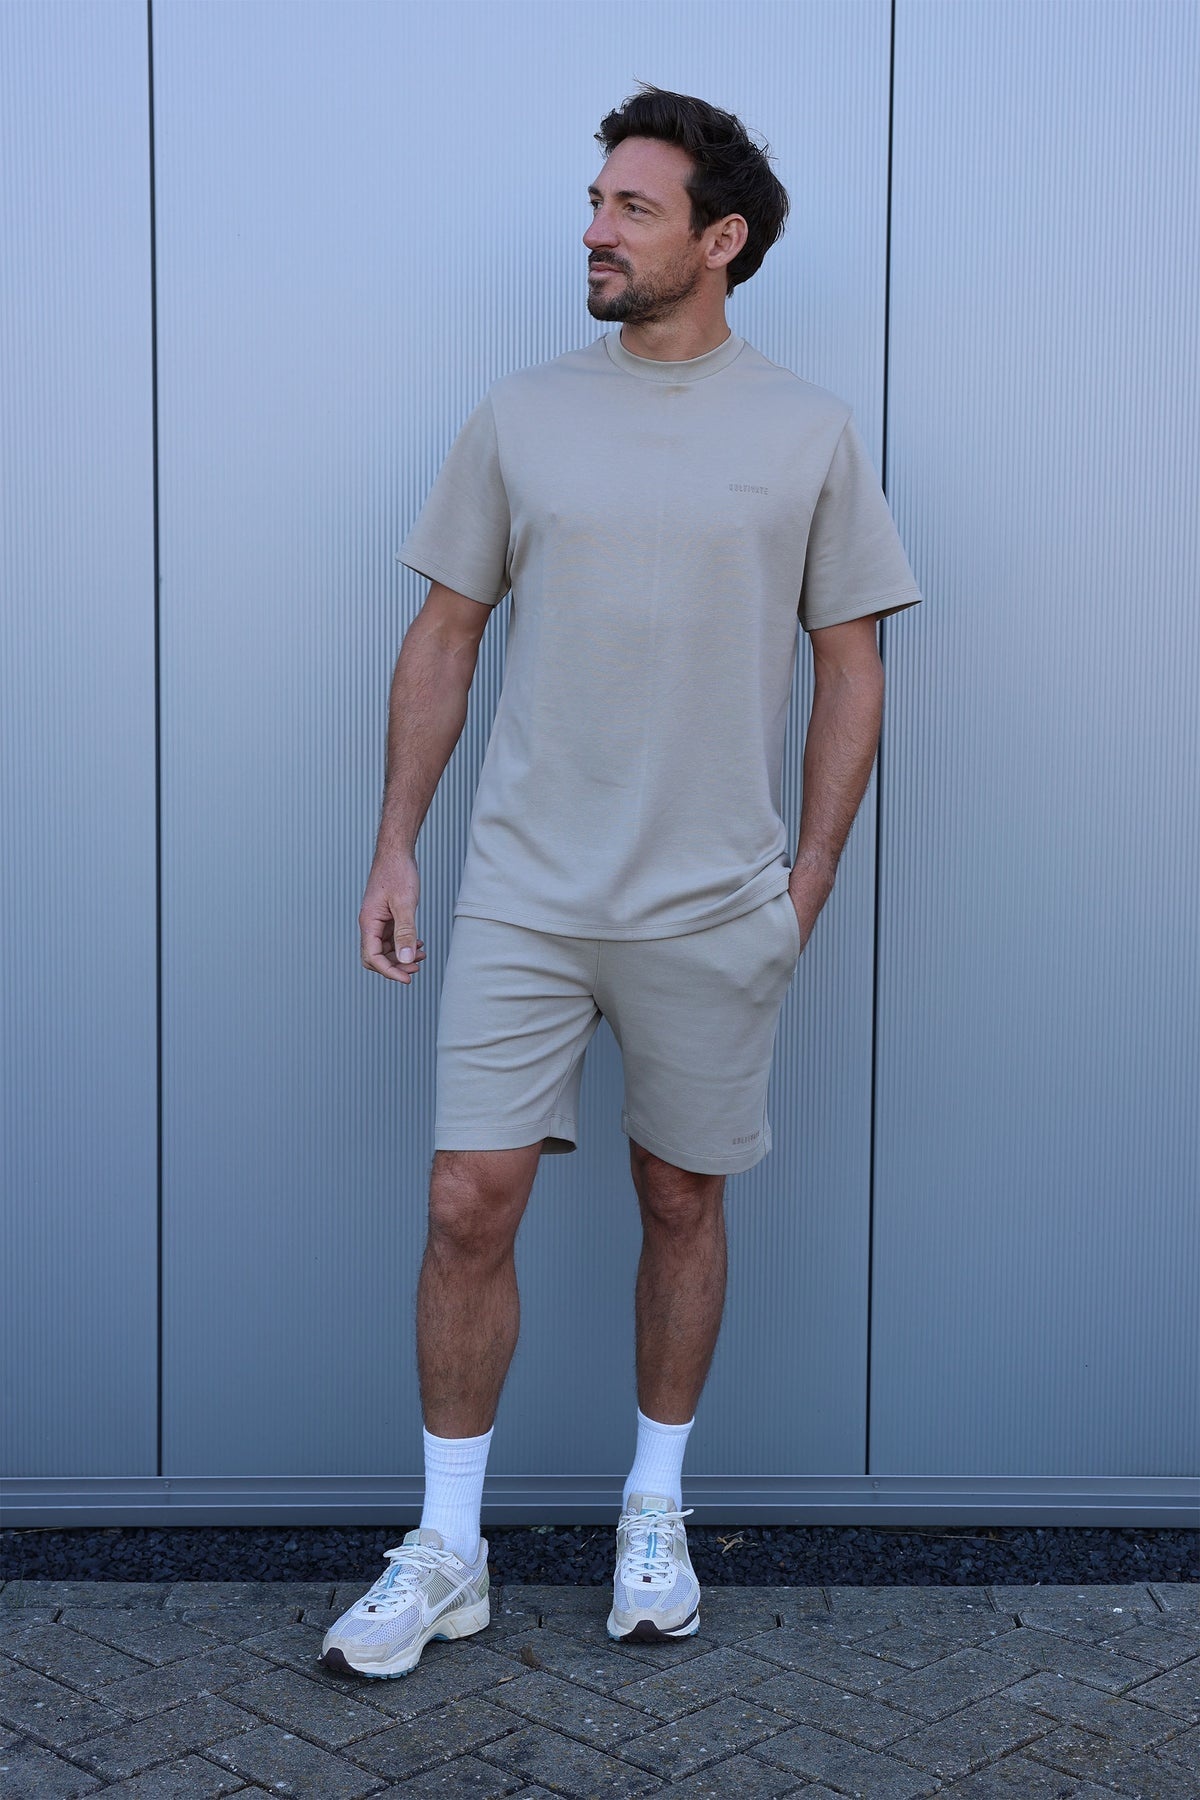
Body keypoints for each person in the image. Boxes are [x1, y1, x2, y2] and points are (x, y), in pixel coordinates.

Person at [320, 83, 921, 1681]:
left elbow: (853, 666)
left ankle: (653, 1512)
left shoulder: (807, 431)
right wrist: (396, 843)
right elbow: (444, 635)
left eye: (631, 208)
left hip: (714, 904)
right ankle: (448, 1547)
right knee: (468, 1202)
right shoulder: (523, 415)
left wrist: (805, 880)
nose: (593, 228)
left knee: (681, 1198)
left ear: (719, 241)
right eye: (597, 201)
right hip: (525, 891)